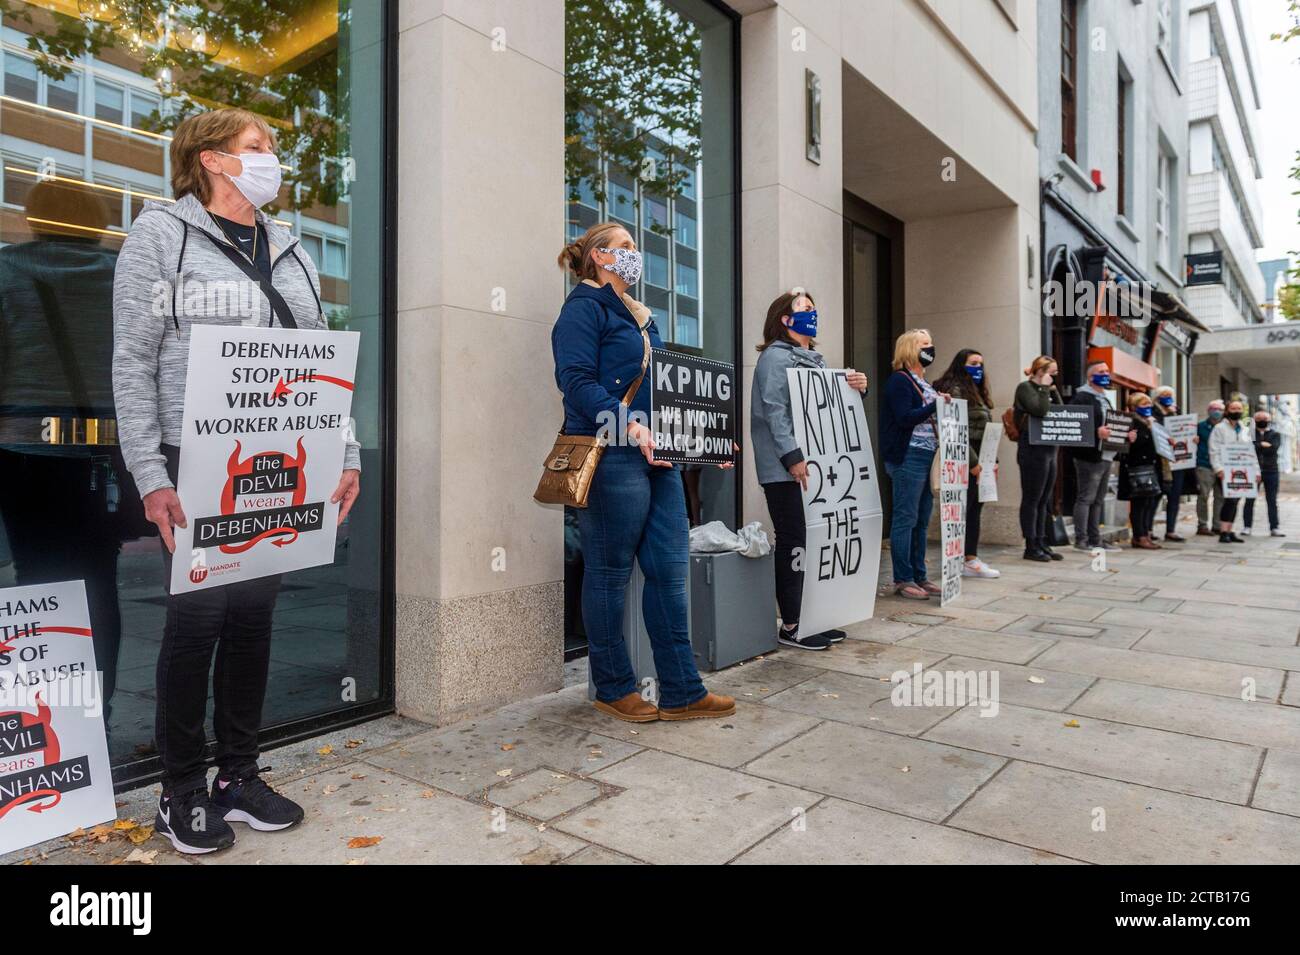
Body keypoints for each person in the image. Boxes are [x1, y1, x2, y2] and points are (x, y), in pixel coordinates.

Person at [113, 108, 361, 854]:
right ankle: (180, 789)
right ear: (214, 160)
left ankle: (238, 774)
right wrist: (150, 473)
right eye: (258, 148)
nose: (271, 159)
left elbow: (319, 361)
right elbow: (133, 359)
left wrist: (342, 452)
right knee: (196, 625)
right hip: (195, 459)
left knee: (254, 620)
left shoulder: (292, 248)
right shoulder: (162, 233)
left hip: (284, 459)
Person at [552, 221, 734, 722]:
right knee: (609, 575)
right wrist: (629, 424)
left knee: (671, 574)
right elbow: (576, 383)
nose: (636, 254)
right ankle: (614, 687)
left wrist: (704, 439)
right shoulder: (583, 310)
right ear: (598, 258)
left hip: (660, 459)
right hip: (612, 454)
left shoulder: (641, 316)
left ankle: (682, 690)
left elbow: (666, 391)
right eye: (626, 247)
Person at [751, 290, 867, 649]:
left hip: (816, 467)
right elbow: (775, 410)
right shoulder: (774, 358)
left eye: (813, 307)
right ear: (785, 319)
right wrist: (792, 456)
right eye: (804, 308)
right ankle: (792, 623)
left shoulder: (814, 359)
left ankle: (812, 615)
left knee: (816, 539)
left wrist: (856, 390)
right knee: (794, 540)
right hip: (785, 469)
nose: (812, 312)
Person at [880, 329, 946, 599]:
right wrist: (935, 407)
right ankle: (903, 578)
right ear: (909, 349)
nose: (930, 348)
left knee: (921, 519)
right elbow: (905, 418)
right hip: (909, 456)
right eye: (924, 344)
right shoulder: (900, 381)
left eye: (931, 343)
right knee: (905, 518)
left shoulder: (923, 382)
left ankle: (920, 575)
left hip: (926, 456)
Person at [933, 349, 1000, 578]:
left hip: (981, 460)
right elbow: (956, 428)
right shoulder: (956, 389)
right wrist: (973, 463)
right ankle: (963, 559)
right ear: (961, 364)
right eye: (973, 363)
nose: (978, 368)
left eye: (981, 363)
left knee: (973, 510)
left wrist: (992, 462)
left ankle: (969, 557)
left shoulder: (977, 392)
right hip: (965, 459)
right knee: (963, 511)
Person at [1067, 359, 1131, 552]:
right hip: (1089, 456)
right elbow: (1076, 424)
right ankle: (1082, 540)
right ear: (1090, 376)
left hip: (1106, 455)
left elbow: (1111, 425)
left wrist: (1125, 434)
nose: (1106, 374)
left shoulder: (1104, 397)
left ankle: (1095, 539)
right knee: (1086, 497)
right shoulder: (1082, 397)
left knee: (1097, 499)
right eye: (1101, 371)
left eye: (1107, 371)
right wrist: (1095, 432)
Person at [1014, 356, 1064, 561]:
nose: (1055, 376)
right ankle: (1031, 544)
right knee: (1032, 498)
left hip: (1050, 449)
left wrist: (1052, 390)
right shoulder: (1025, 388)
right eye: (1052, 372)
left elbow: (1061, 411)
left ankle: (1043, 541)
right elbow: (1039, 410)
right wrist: (1043, 388)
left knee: (1045, 499)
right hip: (1033, 449)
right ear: (1041, 371)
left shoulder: (1048, 389)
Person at [1119, 393, 1163, 548]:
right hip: (1136, 468)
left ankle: (1145, 533)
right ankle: (1139, 536)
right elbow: (1131, 446)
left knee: (1148, 502)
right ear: (1134, 407)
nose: (1148, 408)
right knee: (1139, 503)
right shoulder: (1131, 422)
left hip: (1150, 467)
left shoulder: (1149, 422)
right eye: (1143, 405)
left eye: (1149, 404)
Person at [1208, 399, 1253, 543]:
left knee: (1236, 500)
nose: (1236, 411)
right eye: (1233, 408)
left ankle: (1230, 530)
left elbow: (1250, 450)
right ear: (1227, 411)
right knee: (1229, 500)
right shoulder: (1219, 428)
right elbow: (1213, 450)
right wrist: (1218, 469)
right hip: (1226, 471)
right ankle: (1223, 532)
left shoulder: (1245, 429)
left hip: (1242, 470)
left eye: (1239, 408)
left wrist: (1254, 471)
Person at [1150, 385, 1186, 542]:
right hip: (1159, 461)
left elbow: (1184, 429)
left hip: (1176, 461)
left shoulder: (1176, 411)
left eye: (1170, 394)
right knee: (1155, 496)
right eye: (1164, 395)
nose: (1167, 397)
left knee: (1174, 496)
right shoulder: (1153, 412)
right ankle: (1148, 529)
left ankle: (1170, 530)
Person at [1245, 410, 1284, 537]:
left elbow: (1273, 448)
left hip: (1271, 471)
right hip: (1252, 470)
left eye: (1264, 418)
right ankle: (1247, 526)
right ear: (1255, 420)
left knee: (1272, 500)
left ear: (1269, 420)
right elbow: (1248, 448)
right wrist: (1262, 444)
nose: (1262, 420)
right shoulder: (1250, 434)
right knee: (1249, 500)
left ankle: (1274, 527)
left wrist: (1257, 445)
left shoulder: (1275, 434)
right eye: (1259, 418)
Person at [1194, 399, 1225, 535]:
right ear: (1208, 411)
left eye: (1219, 409)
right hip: (1205, 465)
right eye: (1213, 408)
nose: (1216, 411)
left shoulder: (1226, 427)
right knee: (1203, 495)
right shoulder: (1199, 427)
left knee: (1220, 496)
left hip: (1222, 466)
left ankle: (1217, 525)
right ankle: (1202, 525)